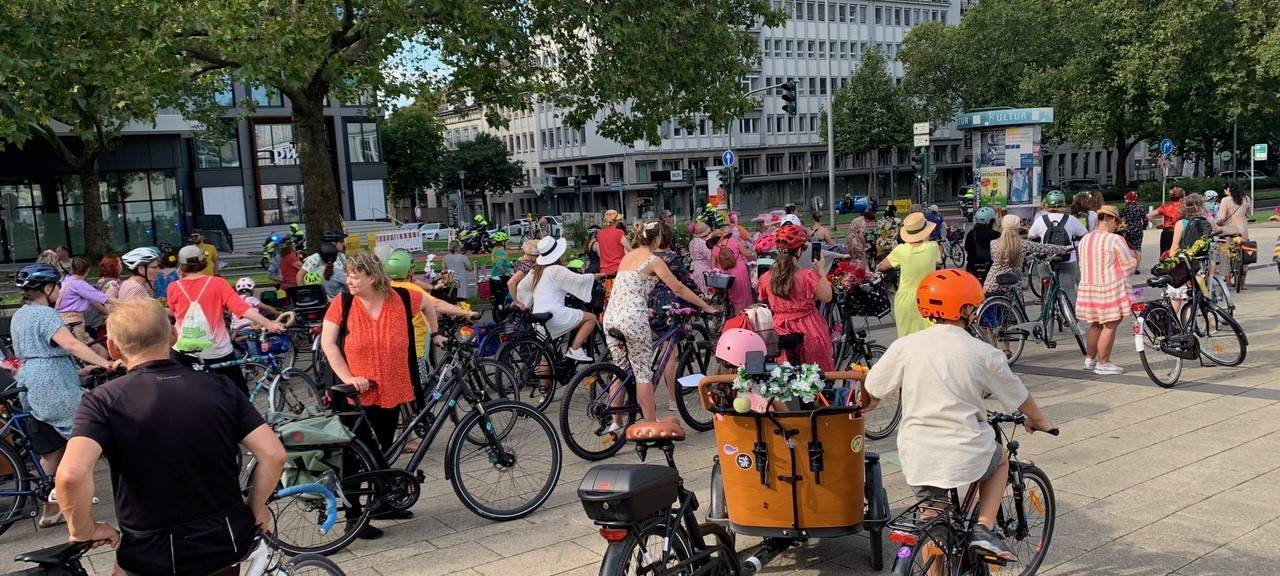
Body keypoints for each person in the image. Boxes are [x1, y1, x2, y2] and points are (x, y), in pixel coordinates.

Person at [57, 299, 287, 575]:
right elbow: (273, 454)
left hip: (151, 549)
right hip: (222, 538)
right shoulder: (220, 387)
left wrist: (84, 530)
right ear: (174, 336)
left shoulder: (103, 401)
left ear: (113, 347)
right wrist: (256, 506)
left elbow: (71, 475)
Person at [864, 268, 1055, 563]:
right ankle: (984, 527)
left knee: (933, 520)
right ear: (966, 309)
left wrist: (868, 404)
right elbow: (1018, 395)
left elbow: (873, 388)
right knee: (1000, 456)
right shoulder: (983, 352)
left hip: (917, 450)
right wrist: (1039, 420)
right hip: (964, 448)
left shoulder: (905, 345)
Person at [321, 252, 443, 538]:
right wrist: (349, 378)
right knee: (356, 457)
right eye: (348, 274)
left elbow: (429, 303)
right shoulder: (344, 303)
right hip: (356, 396)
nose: (348, 280)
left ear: (372, 277)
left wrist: (436, 334)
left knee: (383, 448)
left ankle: (382, 504)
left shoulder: (400, 298)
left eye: (354, 275)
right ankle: (354, 518)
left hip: (393, 387)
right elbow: (329, 344)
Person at [10, 264, 122, 528]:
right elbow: (71, 344)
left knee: (52, 452)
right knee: (86, 443)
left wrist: (82, 369)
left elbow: (41, 352)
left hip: (32, 382)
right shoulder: (47, 315)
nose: (60, 290)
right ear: (47, 288)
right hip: (55, 385)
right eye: (57, 286)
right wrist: (104, 362)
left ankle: (50, 511)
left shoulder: (20, 315)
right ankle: (78, 508)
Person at [604, 222, 717, 427]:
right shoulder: (653, 260)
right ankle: (649, 423)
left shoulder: (627, 257)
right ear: (657, 239)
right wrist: (706, 307)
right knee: (643, 373)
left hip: (612, 316)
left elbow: (627, 289)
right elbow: (679, 288)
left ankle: (616, 422)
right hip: (632, 319)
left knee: (619, 369)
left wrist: (643, 309)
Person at [169, 245, 284, 394]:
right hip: (216, 350)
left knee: (191, 396)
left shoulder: (173, 287)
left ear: (181, 266)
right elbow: (241, 308)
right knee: (239, 395)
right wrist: (269, 324)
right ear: (203, 263)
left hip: (184, 351)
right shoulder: (218, 283)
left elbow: (174, 312)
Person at [758, 225, 835, 371]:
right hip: (809, 328)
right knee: (814, 375)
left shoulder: (766, 277)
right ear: (799, 251)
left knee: (783, 376)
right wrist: (821, 269)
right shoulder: (807, 276)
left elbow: (762, 299)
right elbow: (827, 297)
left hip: (779, 329)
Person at [519, 236, 605, 361]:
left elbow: (521, 286)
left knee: (547, 357)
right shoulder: (557, 270)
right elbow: (578, 280)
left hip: (539, 317)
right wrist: (595, 276)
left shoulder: (536, 271)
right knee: (591, 318)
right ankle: (575, 349)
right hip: (555, 315)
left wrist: (522, 303)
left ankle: (545, 380)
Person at [1076, 206, 1138, 375]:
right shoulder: (1114, 239)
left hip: (1089, 287)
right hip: (1109, 287)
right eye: (1116, 222)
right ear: (1111, 219)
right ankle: (1104, 363)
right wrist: (1136, 257)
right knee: (1110, 325)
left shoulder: (1085, 239)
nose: (1116, 226)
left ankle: (1090, 359)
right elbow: (1128, 265)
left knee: (1095, 324)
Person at [648, 225, 700, 412]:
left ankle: (648, 398)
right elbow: (684, 282)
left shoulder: (647, 257)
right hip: (668, 306)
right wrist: (701, 297)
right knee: (672, 356)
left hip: (649, 306)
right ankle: (673, 400)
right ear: (669, 239)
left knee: (654, 352)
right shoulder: (671, 258)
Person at [877, 212, 941, 337]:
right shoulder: (933, 247)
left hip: (905, 299)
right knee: (929, 337)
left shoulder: (901, 250)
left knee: (907, 339)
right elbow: (938, 260)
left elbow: (882, 266)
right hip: (927, 298)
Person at [985, 214, 1074, 297]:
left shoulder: (993, 243)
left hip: (993, 282)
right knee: (1016, 311)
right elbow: (1045, 248)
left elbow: (996, 259)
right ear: (1017, 228)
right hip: (1013, 284)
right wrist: (1065, 249)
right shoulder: (1023, 244)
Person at [1027, 190, 1087, 304]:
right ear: (1064, 204)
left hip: (1046, 259)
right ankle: (1070, 318)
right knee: (1068, 290)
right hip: (1068, 259)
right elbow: (1084, 233)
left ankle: (1047, 311)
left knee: (1046, 289)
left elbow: (1031, 235)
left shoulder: (1040, 219)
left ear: (1047, 204)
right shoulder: (1071, 219)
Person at [56, 257, 116, 356]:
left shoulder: (67, 280)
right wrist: (127, 304)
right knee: (100, 352)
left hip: (62, 320)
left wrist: (108, 313)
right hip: (75, 322)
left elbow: (93, 301)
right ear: (87, 270)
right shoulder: (79, 284)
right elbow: (103, 298)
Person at [1216, 181, 1253, 290]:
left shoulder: (1225, 200)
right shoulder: (1246, 198)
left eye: (1225, 189)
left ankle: (1228, 282)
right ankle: (1243, 283)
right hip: (1243, 231)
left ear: (1229, 190)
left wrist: (1218, 223)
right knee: (1245, 255)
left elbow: (1222, 217)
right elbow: (1249, 214)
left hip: (1229, 231)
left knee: (1225, 255)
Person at [711, 226, 753, 313]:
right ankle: (744, 317)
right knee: (744, 295)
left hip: (726, 276)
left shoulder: (714, 248)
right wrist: (754, 258)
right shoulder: (734, 241)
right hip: (740, 272)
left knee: (731, 296)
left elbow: (713, 266)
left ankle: (732, 315)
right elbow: (747, 254)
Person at [963, 206, 1001, 282]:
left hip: (972, 268)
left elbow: (967, 248)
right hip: (990, 268)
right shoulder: (996, 235)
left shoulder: (971, 233)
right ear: (991, 221)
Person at [1147, 186, 1184, 255]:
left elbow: (1149, 215)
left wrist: (1157, 224)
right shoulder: (1184, 207)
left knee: (1165, 254)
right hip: (1181, 233)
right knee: (1179, 255)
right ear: (1181, 198)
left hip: (1167, 233)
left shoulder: (1165, 207)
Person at [508, 239, 541, 309]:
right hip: (524, 299)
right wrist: (517, 302)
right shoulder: (527, 265)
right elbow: (511, 283)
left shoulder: (521, 260)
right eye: (538, 255)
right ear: (532, 255)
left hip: (523, 295)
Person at [597, 210, 630, 276]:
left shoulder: (599, 234)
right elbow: (629, 249)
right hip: (618, 270)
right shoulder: (619, 232)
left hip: (604, 271)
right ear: (616, 221)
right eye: (618, 220)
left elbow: (600, 253)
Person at [1119, 191, 1147, 271]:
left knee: (1128, 247)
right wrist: (1143, 227)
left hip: (1128, 230)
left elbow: (1119, 216)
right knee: (1138, 248)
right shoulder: (1140, 208)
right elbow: (1145, 220)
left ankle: (1129, 265)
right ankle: (1137, 268)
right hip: (1138, 230)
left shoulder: (1126, 208)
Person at [689, 221, 714, 293]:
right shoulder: (702, 243)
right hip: (703, 268)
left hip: (694, 268)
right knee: (705, 290)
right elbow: (709, 256)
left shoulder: (692, 242)